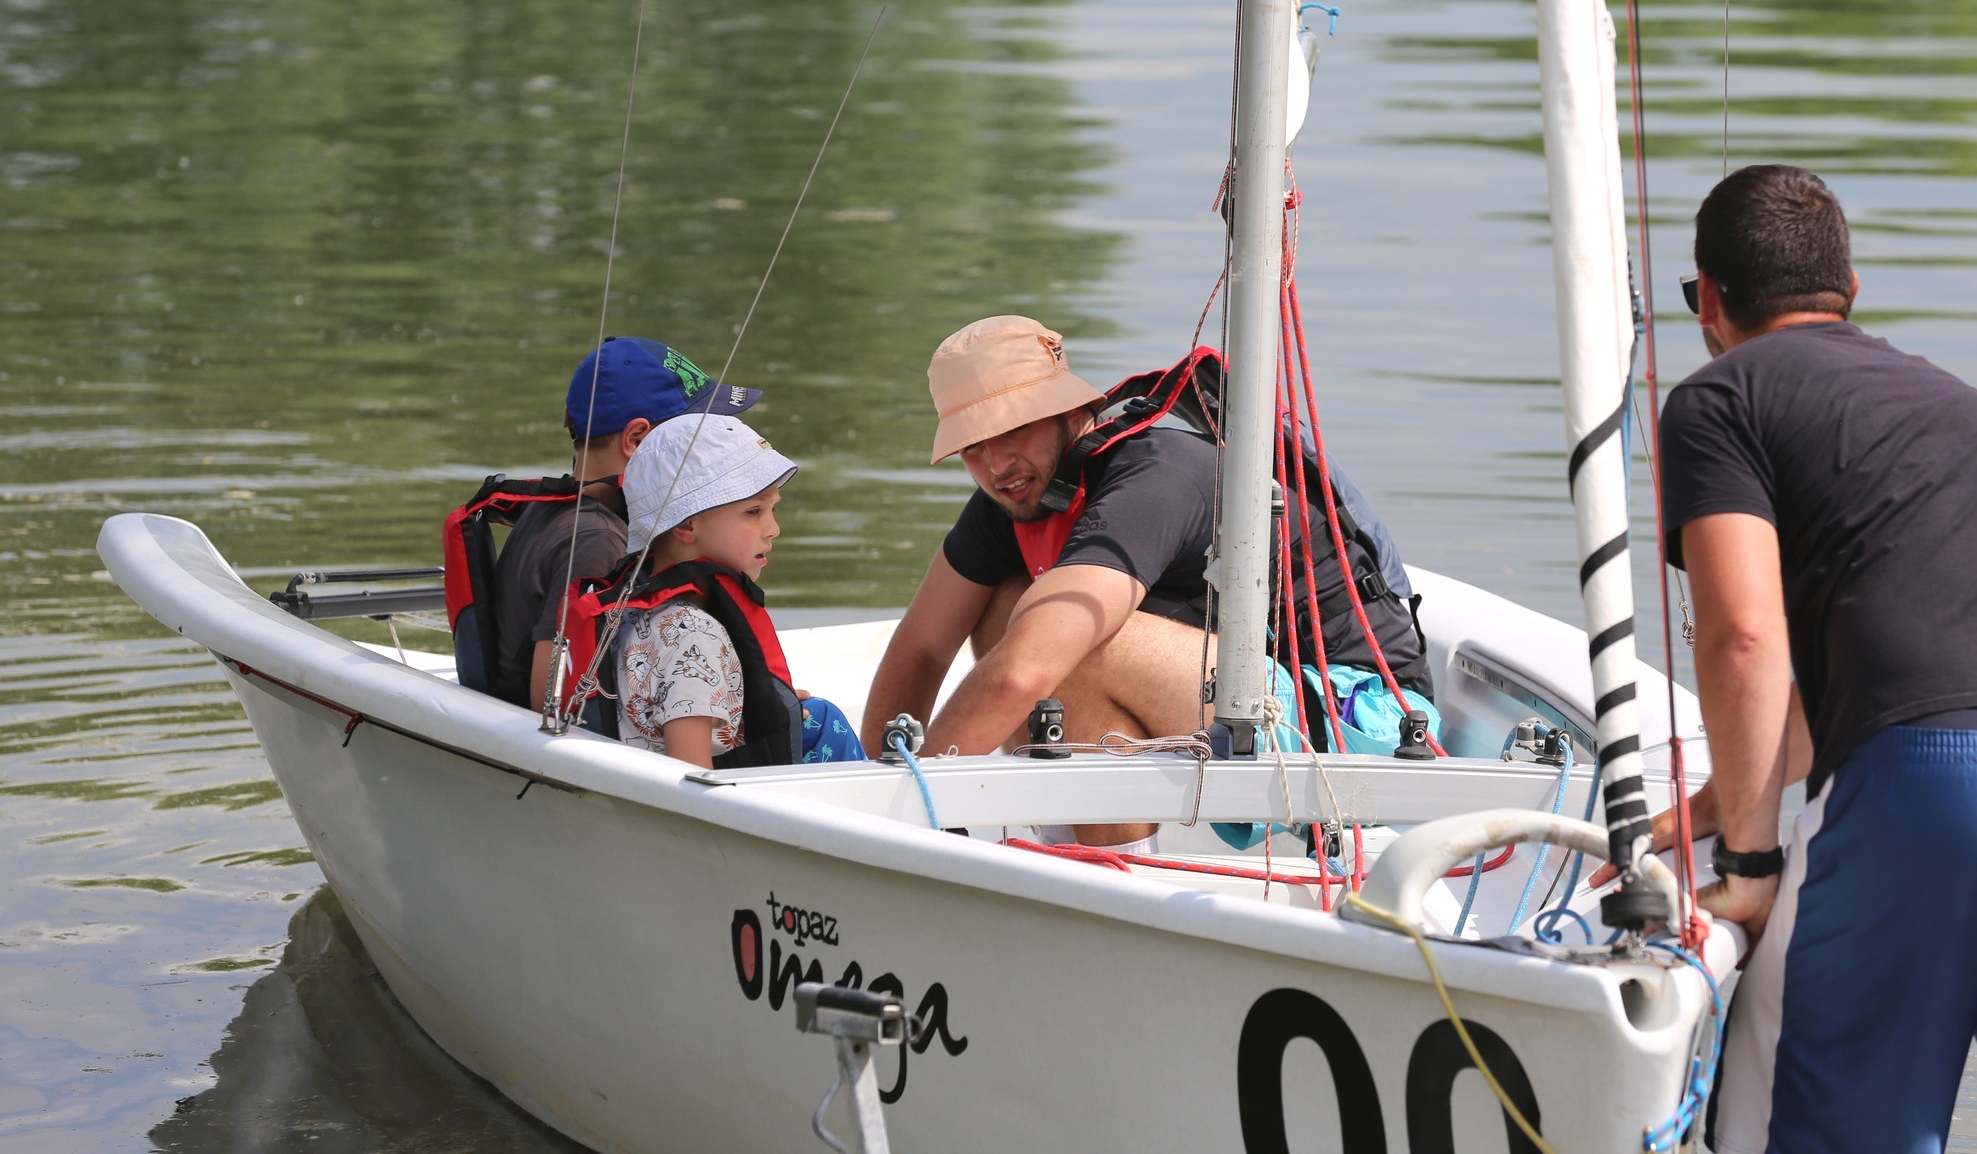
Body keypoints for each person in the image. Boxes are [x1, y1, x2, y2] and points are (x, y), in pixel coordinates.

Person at [1652, 165, 1977, 1152]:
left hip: (1923, 802)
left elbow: (1744, 636)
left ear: (1705, 298)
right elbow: (1916, 658)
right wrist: (1711, 802)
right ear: (1851, 291)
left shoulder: (1719, 400)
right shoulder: (1964, 410)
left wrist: (1743, 860)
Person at [862, 315, 1433, 846]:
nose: (996, 463)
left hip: (1356, 717)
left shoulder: (1155, 473)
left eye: (1015, 428)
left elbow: (1024, 673)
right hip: (1227, 688)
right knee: (1006, 602)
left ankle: (1116, 890)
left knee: (1066, 637)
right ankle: (1093, 864)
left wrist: (906, 815)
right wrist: (861, 795)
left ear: (1068, 410)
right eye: (972, 446)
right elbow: (920, 649)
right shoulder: (1019, 488)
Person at [456, 336, 760, 712]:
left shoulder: (557, 510)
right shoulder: (596, 541)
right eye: (694, 436)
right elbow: (551, 704)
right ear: (637, 439)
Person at [564, 414, 864, 768]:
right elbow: (689, 776)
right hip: (707, 809)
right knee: (827, 721)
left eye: (771, 510)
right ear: (688, 524)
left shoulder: (629, 609)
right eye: (753, 511)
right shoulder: (693, 635)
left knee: (812, 715)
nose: (773, 529)